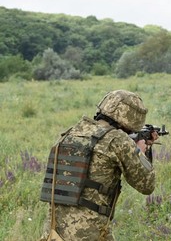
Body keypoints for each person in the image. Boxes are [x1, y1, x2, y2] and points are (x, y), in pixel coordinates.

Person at [39, 90, 158, 241]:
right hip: (89, 233)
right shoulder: (118, 140)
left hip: (53, 231)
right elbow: (147, 185)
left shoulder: (71, 132)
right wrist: (141, 152)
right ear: (132, 118)